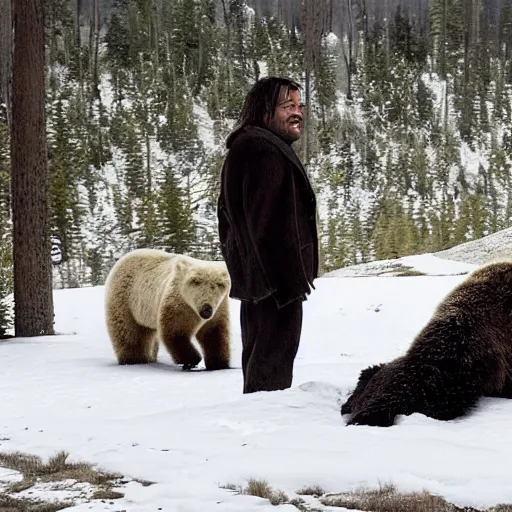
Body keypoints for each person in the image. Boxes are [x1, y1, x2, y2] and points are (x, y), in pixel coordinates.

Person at [217, 76, 319, 394]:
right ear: (264, 111)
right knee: (270, 372)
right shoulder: (264, 151)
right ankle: (266, 432)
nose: (298, 112)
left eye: (299, 105)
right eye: (288, 105)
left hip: (262, 284)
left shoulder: (248, 146)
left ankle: (261, 425)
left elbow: (229, 220)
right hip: (275, 286)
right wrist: (280, 284)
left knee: (260, 361)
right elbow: (265, 226)